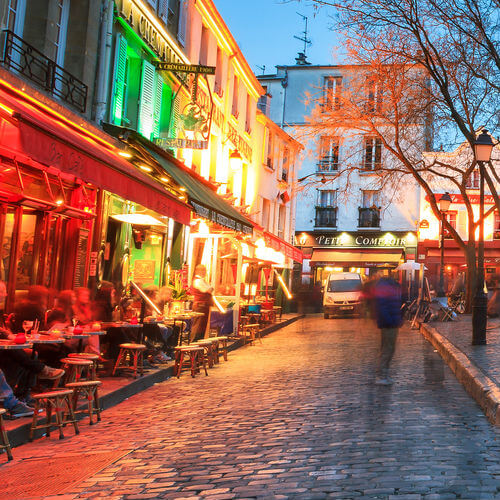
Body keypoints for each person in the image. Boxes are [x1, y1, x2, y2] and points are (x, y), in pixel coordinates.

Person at [373, 273, 403, 386]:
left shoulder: (388, 289)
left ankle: (384, 374)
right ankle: (381, 376)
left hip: (390, 322)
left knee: (389, 349)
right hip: (388, 324)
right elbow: (383, 308)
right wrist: (391, 320)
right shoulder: (386, 290)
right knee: (387, 349)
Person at [190, 265, 213, 342]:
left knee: (202, 327)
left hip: (203, 306)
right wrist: (210, 288)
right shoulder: (198, 281)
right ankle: (194, 344)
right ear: (197, 271)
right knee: (198, 326)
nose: (204, 272)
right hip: (200, 305)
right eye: (203, 270)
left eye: (205, 270)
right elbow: (208, 290)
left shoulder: (202, 280)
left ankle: (199, 344)